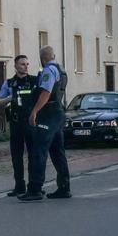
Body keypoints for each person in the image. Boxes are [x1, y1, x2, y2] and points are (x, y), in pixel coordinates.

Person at [21, 44, 71, 201]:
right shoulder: (61, 70)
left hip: (48, 114)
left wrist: (34, 111)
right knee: (57, 153)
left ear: (43, 58)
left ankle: (35, 189)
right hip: (58, 113)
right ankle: (64, 187)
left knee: (38, 151)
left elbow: (46, 92)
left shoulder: (48, 71)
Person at [0, 54, 36, 196]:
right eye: (22, 64)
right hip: (16, 122)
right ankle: (19, 185)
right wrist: (9, 98)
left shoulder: (33, 81)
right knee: (16, 156)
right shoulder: (9, 83)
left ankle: (34, 185)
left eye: (27, 64)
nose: (25, 67)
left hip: (31, 123)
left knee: (33, 155)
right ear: (16, 66)